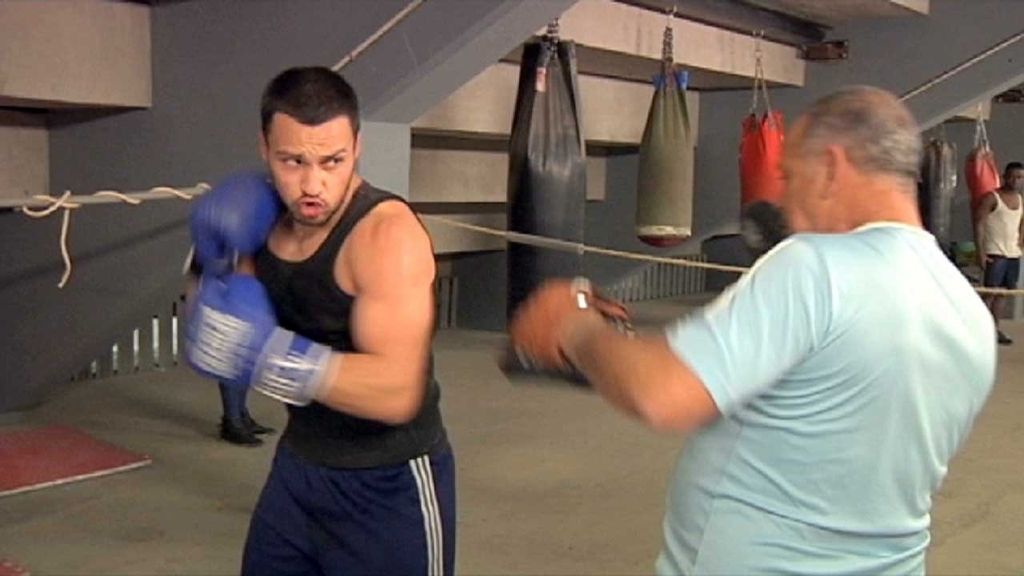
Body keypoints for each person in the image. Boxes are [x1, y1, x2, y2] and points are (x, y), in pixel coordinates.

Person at [508, 86, 996, 575]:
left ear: (829, 169)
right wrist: (619, 347)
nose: (782, 200)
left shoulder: (814, 266)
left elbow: (663, 394)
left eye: (788, 177)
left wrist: (574, 330)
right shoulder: (966, 308)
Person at [185, 67, 454, 576]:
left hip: (389, 481)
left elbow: (397, 392)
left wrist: (267, 358)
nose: (313, 184)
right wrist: (207, 265)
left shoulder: (385, 238)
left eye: (333, 161)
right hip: (300, 466)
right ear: (264, 147)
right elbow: (215, 307)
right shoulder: (258, 217)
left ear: (357, 146)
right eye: (293, 161)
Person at [185, 259, 276, 446]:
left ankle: (240, 416)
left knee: (244, 360)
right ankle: (232, 422)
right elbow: (195, 272)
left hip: (245, 299)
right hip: (224, 300)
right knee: (231, 361)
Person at [974, 161, 1024, 345]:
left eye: (1019, 177)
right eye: (1012, 176)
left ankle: (994, 329)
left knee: (1002, 294)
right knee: (989, 293)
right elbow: (978, 223)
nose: (1015, 180)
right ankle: (979, 329)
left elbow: (1020, 223)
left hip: (1013, 254)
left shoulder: (1020, 200)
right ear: (1004, 176)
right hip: (995, 253)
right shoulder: (992, 198)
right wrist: (980, 251)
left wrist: (1020, 244)